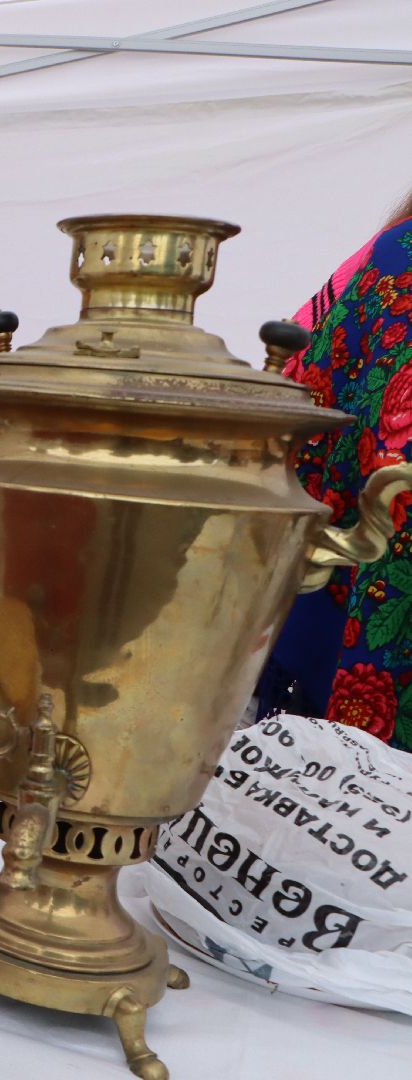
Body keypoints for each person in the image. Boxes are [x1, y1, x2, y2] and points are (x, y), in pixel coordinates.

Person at [257, 189, 412, 751]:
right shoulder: (398, 254)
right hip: (362, 576)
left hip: (327, 594)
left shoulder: (388, 251)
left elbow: (293, 393)